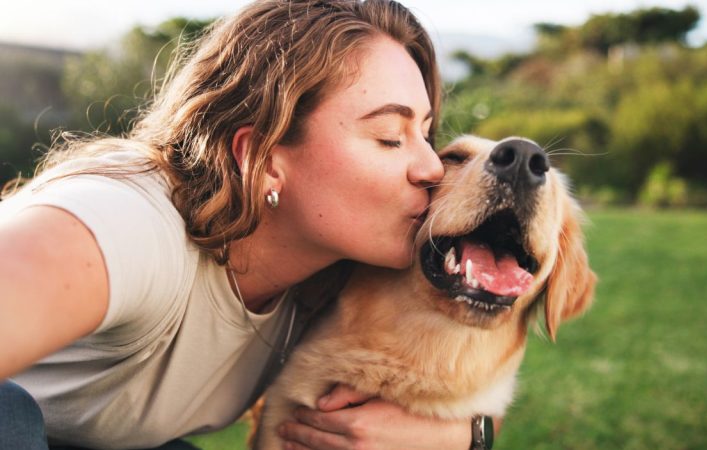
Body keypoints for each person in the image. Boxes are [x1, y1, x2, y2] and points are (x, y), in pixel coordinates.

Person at [0, 0, 496, 449]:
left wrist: (465, 436)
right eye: (390, 136)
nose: (432, 167)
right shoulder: (128, 226)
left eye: (426, 134)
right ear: (262, 158)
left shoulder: (337, 277)